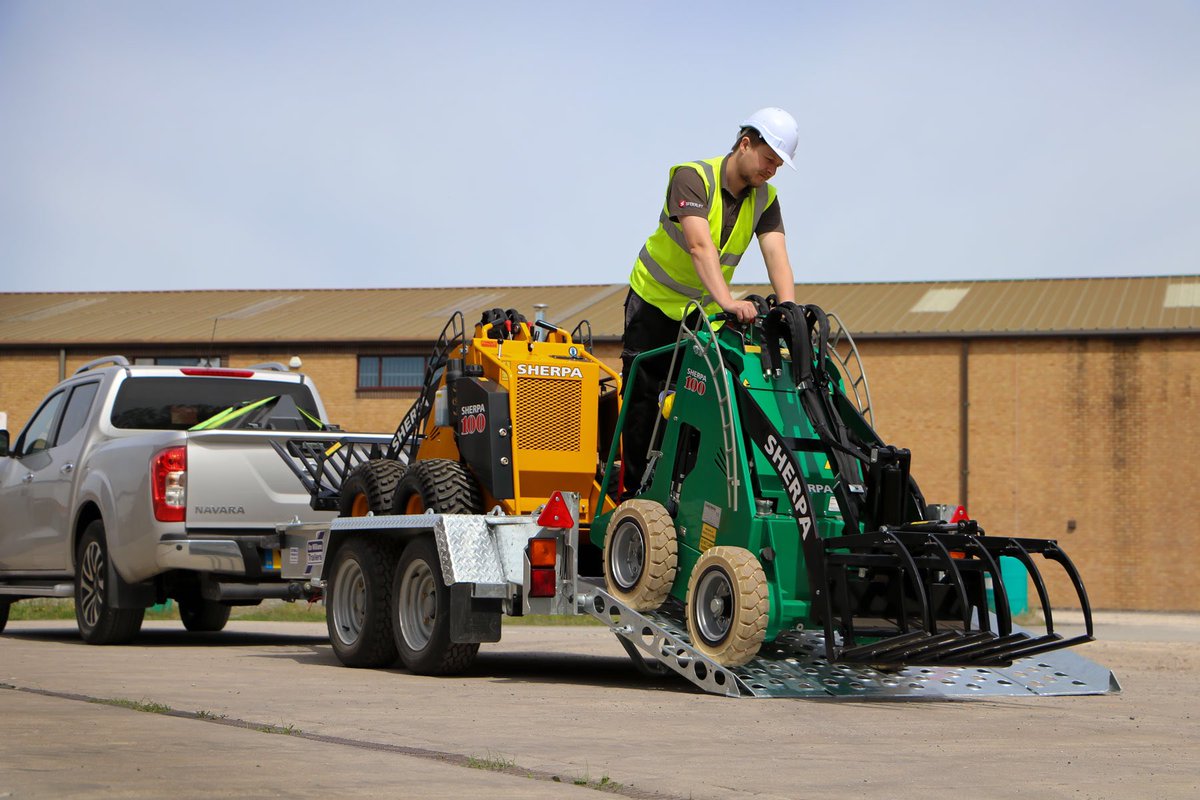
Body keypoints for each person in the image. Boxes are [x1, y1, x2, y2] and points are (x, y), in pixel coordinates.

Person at [620, 107, 800, 496]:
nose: (772, 170)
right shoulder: (692, 178)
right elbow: (700, 246)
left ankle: (683, 493)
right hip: (654, 303)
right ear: (745, 144)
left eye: (778, 165)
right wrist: (728, 301)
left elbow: (777, 254)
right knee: (643, 401)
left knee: (703, 400)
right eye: (769, 159)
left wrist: (789, 312)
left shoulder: (765, 199)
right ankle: (634, 494)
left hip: (702, 314)